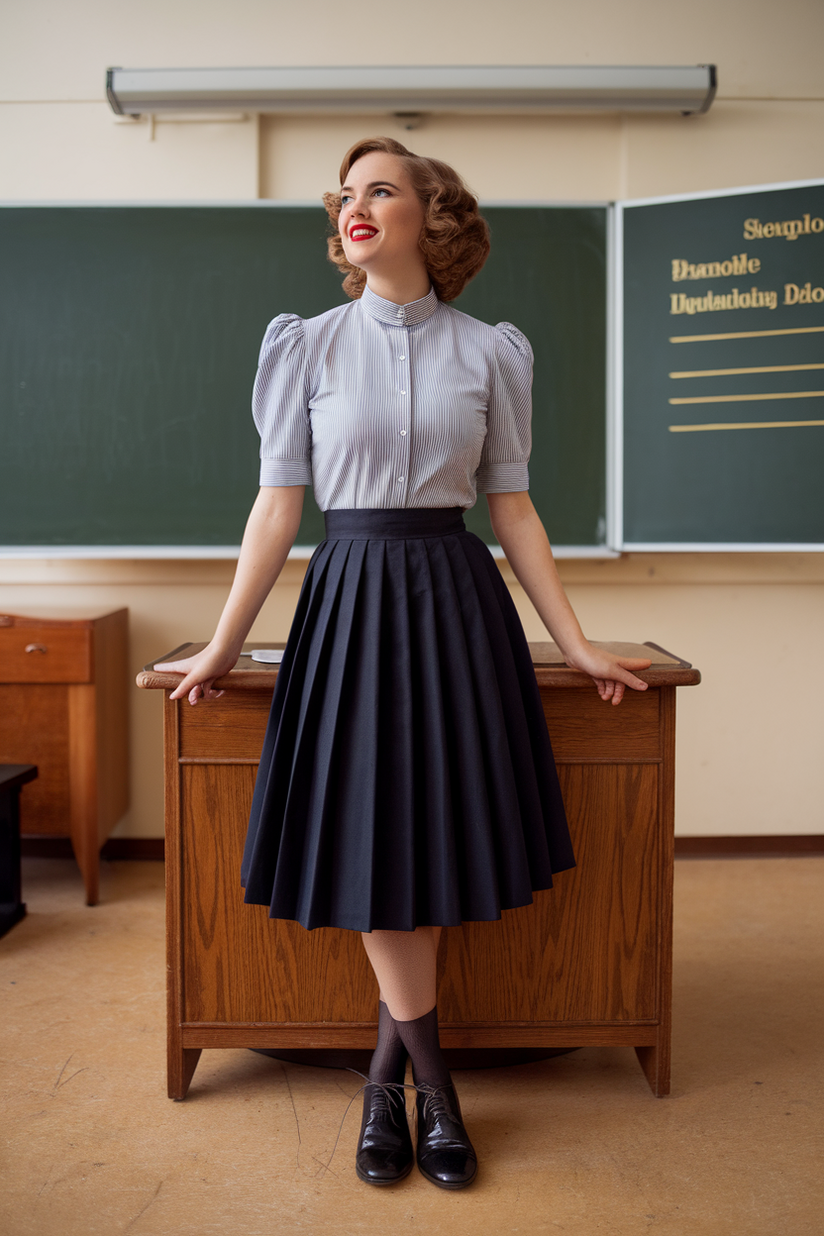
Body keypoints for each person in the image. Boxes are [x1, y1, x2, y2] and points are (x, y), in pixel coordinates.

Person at [156, 136, 651, 1191]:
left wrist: (570, 641)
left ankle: (386, 1086)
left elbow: (510, 507)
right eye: (345, 193)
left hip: (454, 601)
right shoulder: (304, 345)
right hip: (349, 597)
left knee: (422, 849)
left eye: (381, 189)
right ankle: (434, 1089)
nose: (355, 205)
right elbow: (275, 509)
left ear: (435, 215)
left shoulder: (491, 353)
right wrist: (216, 638)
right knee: (380, 848)